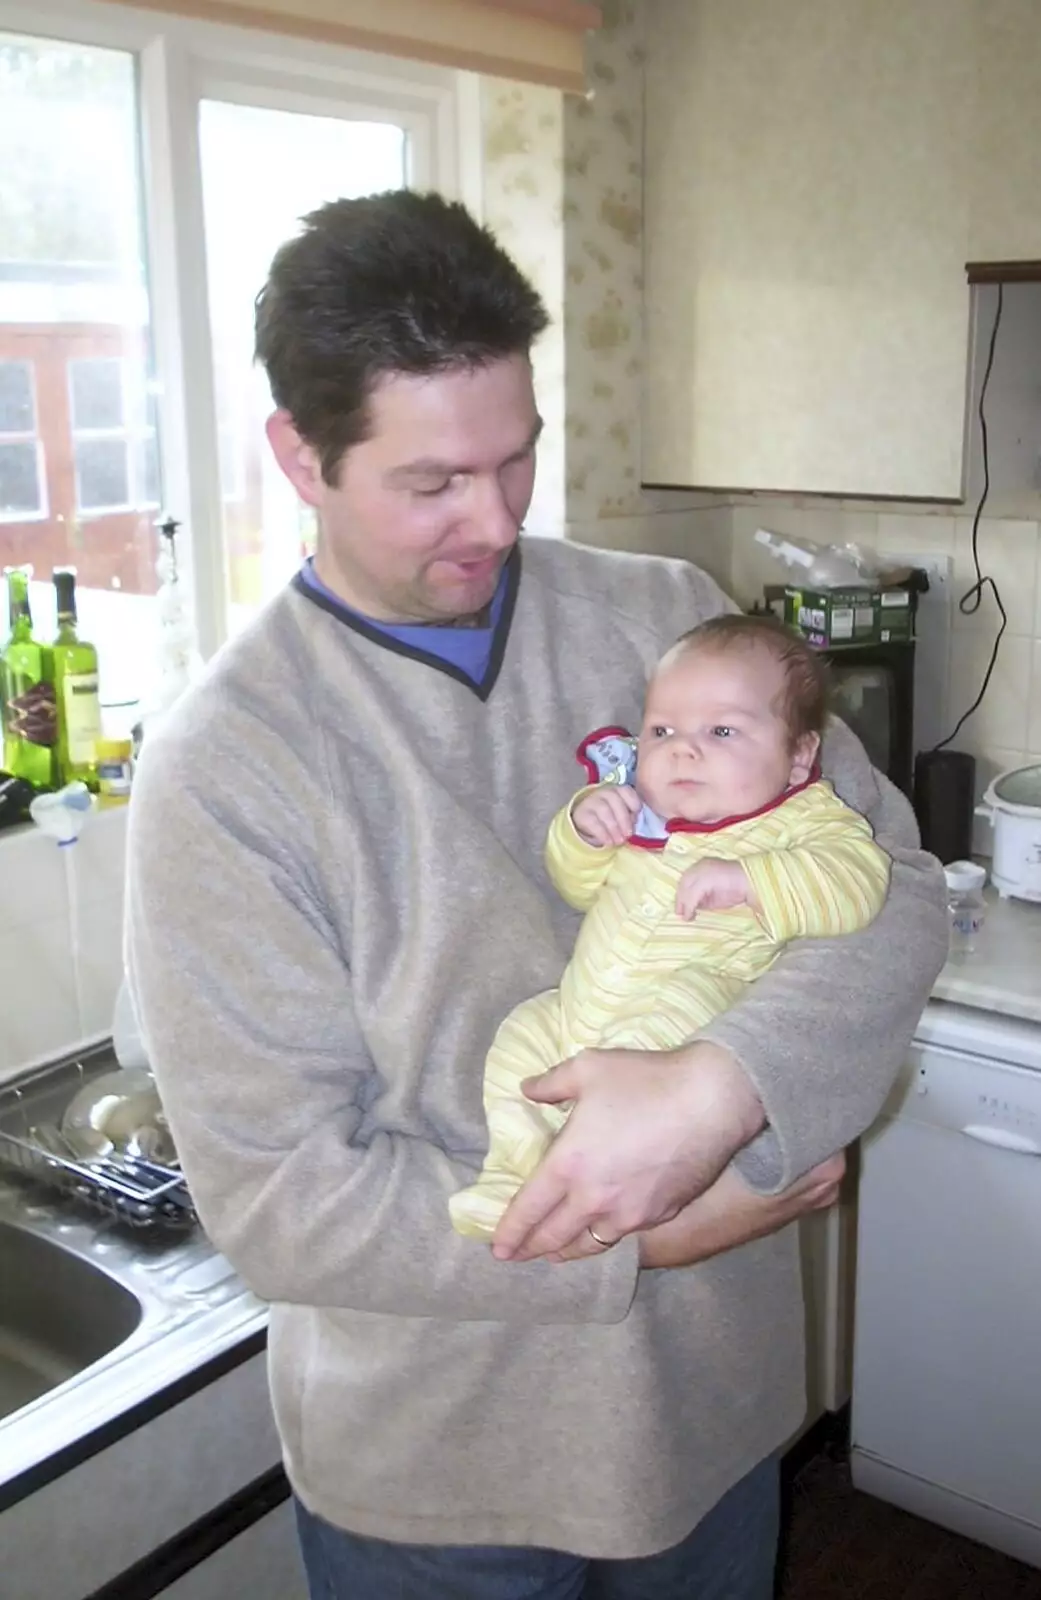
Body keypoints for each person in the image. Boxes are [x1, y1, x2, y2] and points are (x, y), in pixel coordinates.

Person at [125, 189, 948, 1600]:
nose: (496, 520)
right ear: (297, 456)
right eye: (434, 482)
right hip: (440, 1485)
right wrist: (648, 1232)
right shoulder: (229, 764)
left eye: (518, 459)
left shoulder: (660, 619)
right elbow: (284, 1206)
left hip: (709, 1420)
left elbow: (900, 885)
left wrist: (722, 1088)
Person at [450, 614, 891, 1240]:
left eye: (721, 730)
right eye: (661, 729)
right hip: (578, 1006)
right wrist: (583, 832)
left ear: (799, 757)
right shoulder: (640, 806)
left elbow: (860, 884)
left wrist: (754, 882)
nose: (683, 748)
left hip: (690, 1001)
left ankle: (574, 1189)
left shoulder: (805, 818)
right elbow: (577, 888)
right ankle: (513, 1171)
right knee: (520, 1041)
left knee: (646, 1055)